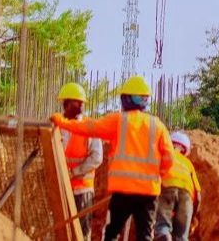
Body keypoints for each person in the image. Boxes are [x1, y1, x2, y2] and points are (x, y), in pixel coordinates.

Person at [52, 75, 174, 241]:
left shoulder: (118, 121)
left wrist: (61, 121)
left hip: (122, 191)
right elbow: (169, 158)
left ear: (126, 99)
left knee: (111, 233)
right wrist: (160, 176)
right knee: (145, 236)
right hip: (148, 193)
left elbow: (88, 128)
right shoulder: (157, 125)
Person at [55, 82, 103, 236]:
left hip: (82, 189)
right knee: (62, 231)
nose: (81, 105)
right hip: (61, 188)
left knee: (81, 233)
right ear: (66, 104)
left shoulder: (90, 126)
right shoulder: (57, 126)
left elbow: (97, 157)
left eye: (82, 102)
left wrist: (74, 172)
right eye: (78, 102)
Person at [157, 131, 201, 241]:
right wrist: (192, 218)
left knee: (162, 227)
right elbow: (198, 197)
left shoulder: (162, 156)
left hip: (166, 188)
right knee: (182, 236)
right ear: (185, 150)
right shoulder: (188, 164)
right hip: (187, 196)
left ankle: (165, 235)